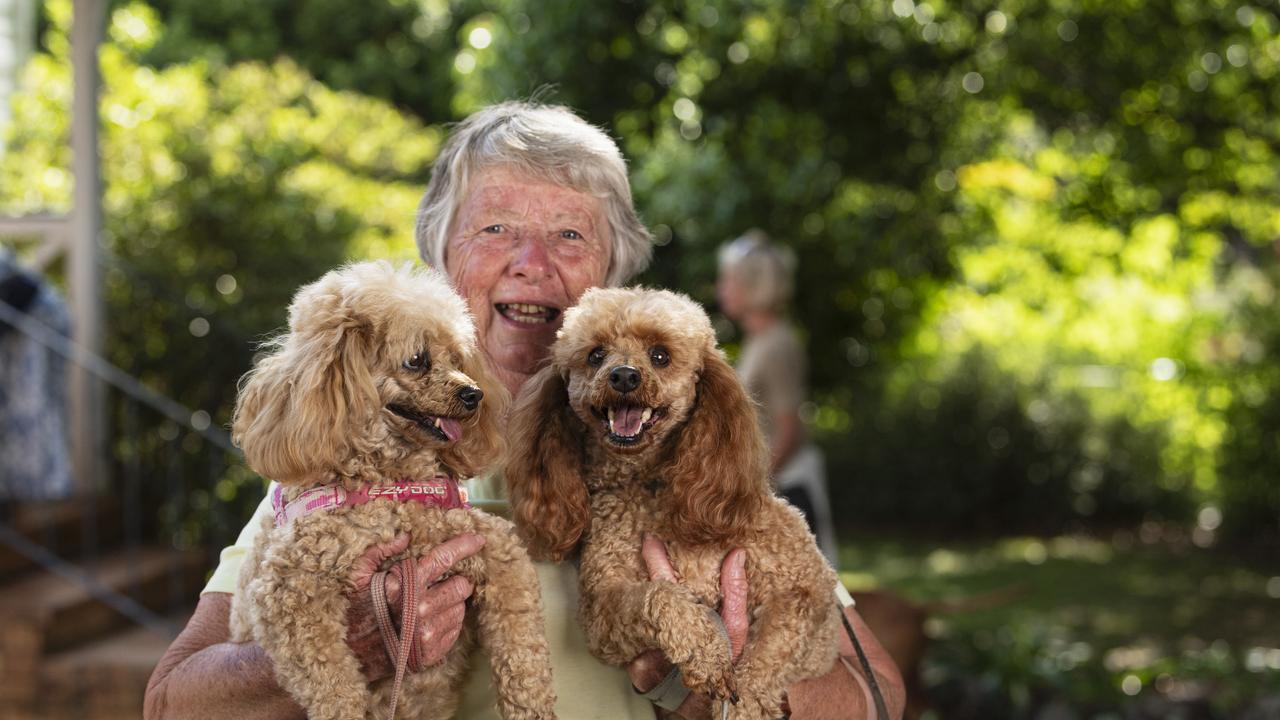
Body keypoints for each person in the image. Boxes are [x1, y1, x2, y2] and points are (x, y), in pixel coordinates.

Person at [144, 102, 904, 720]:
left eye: (570, 235)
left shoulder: (682, 456)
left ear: (609, 279)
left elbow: (877, 694)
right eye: (496, 228)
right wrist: (327, 648)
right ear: (443, 261)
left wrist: (739, 678)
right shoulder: (342, 462)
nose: (531, 263)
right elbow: (170, 702)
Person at [716, 231, 838, 567]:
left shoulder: (777, 344)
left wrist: (749, 489)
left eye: (728, 280)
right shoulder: (759, 342)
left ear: (752, 285)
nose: (720, 289)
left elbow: (789, 429)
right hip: (776, 482)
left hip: (790, 486)